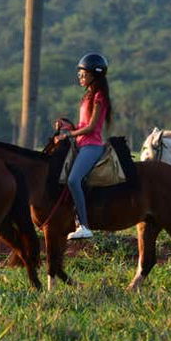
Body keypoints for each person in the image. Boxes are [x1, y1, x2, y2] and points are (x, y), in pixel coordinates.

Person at [54, 52, 113, 241]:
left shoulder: (99, 96)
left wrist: (68, 134)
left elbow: (92, 127)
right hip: (81, 145)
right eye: (79, 73)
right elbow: (82, 125)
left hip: (92, 146)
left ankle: (84, 225)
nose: (79, 77)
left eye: (82, 73)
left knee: (73, 180)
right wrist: (67, 126)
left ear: (94, 74)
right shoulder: (88, 95)